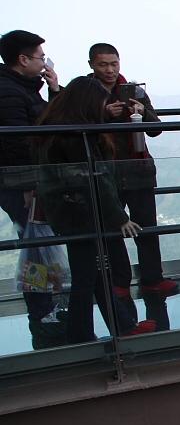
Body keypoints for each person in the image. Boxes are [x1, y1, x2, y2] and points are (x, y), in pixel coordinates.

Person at [34, 77, 155, 343]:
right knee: (87, 276)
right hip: (79, 212)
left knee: (96, 272)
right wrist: (119, 217)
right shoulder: (77, 136)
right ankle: (81, 335)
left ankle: (119, 326)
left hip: (69, 209)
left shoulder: (60, 129)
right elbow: (94, 178)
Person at [86, 43, 177, 296]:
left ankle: (152, 278)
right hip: (104, 171)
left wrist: (142, 112)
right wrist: (102, 114)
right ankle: (120, 282)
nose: (110, 70)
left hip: (138, 169)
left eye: (114, 64)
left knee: (146, 227)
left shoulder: (133, 91)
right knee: (112, 228)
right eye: (103, 64)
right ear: (92, 64)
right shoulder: (85, 92)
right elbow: (74, 124)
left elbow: (155, 128)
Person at [0, 30, 63, 346]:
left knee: (39, 247)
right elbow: (17, 144)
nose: (43, 62)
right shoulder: (10, 93)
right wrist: (26, 184)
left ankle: (47, 310)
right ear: (22, 59)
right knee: (36, 249)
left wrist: (53, 90)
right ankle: (42, 314)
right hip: (23, 186)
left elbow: (44, 124)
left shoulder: (24, 89)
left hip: (29, 183)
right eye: (39, 57)